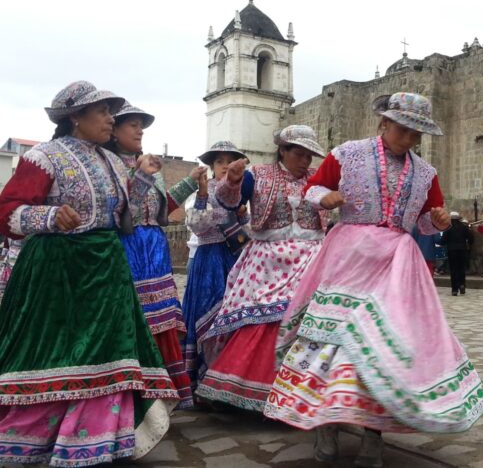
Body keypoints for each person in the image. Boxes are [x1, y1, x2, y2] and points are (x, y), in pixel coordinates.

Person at [264, 93, 483, 468]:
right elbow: (312, 188)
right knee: (333, 340)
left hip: (397, 262)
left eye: (417, 133)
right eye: (404, 129)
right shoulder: (347, 154)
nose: (410, 139)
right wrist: (328, 197)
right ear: (384, 123)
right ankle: (327, 424)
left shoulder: (425, 172)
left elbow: (424, 221)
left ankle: (373, 433)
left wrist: (438, 221)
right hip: (349, 254)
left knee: (387, 344)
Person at [0, 81, 178, 466]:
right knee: (55, 349)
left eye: (110, 112)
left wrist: (145, 178)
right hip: (58, 269)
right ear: (74, 117)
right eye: (101, 112)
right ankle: (33, 440)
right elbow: (8, 210)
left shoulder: (113, 162)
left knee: (110, 353)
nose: (110, 119)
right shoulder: (44, 157)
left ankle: (97, 441)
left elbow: (131, 215)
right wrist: (49, 215)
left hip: (107, 268)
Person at [195, 126, 327, 411]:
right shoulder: (260, 175)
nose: (305, 161)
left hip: (311, 260)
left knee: (306, 320)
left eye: (309, 155)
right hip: (268, 261)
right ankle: (253, 391)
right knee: (262, 317)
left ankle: (301, 394)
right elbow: (230, 201)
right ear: (283, 151)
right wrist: (232, 181)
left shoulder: (317, 180)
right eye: (299, 154)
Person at [107, 101, 201, 409]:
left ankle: (165, 391)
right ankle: (133, 394)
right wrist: (141, 176)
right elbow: (122, 215)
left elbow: (162, 210)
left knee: (162, 322)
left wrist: (190, 182)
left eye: (141, 124)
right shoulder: (108, 165)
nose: (139, 130)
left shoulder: (147, 165)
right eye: (132, 124)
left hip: (155, 248)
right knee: (135, 318)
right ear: (114, 129)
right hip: (127, 245)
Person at [181, 141, 249, 392]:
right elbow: (198, 226)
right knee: (207, 312)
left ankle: (226, 380)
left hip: (234, 259)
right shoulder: (204, 191)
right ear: (211, 166)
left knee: (232, 315)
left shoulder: (240, 190)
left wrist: (242, 214)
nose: (225, 166)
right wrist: (201, 194)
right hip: (209, 260)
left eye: (230, 161)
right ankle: (204, 380)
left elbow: (247, 225)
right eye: (220, 161)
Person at [440, 211, 474, 295]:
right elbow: (471, 238)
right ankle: (462, 285)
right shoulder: (464, 227)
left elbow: (442, 241)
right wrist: (468, 244)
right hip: (462, 250)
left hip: (452, 251)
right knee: (461, 269)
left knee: (453, 270)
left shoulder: (448, 228)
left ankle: (454, 289)